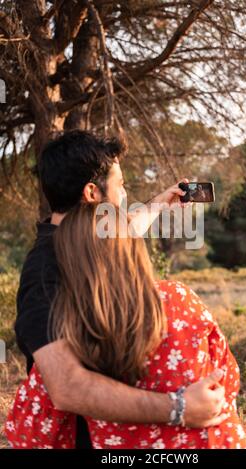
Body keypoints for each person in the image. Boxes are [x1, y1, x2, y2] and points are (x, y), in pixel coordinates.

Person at [5, 130, 230, 449]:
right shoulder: (44, 273)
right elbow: (67, 386)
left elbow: (126, 227)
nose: (125, 196)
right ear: (92, 193)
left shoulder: (92, 238)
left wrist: (158, 204)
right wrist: (179, 407)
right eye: (121, 185)